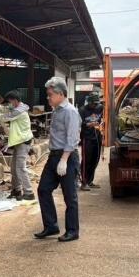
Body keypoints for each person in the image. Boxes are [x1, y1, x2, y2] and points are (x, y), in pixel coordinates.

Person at [35, 77, 82, 243]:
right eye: (48, 95)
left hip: (66, 156)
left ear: (61, 94)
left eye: (50, 95)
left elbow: (72, 138)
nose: (48, 98)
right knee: (43, 189)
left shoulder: (70, 112)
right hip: (54, 156)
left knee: (70, 196)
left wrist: (64, 159)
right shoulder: (56, 110)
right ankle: (51, 225)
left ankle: (72, 231)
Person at [1, 90, 35, 201]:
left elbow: (5, 117)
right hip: (19, 142)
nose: (9, 104)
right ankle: (17, 190)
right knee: (14, 168)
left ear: (15, 100)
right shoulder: (19, 109)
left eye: (9, 102)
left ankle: (29, 192)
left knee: (20, 168)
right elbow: (7, 112)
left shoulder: (19, 111)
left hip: (23, 142)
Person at [78, 92, 104, 191]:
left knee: (95, 160)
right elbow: (79, 124)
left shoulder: (100, 107)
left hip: (97, 137)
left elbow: (102, 117)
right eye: (93, 103)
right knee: (86, 161)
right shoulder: (82, 110)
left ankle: (90, 181)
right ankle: (84, 182)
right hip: (87, 138)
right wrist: (89, 124)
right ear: (89, 102)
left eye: (96, 103)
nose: (95, 105)